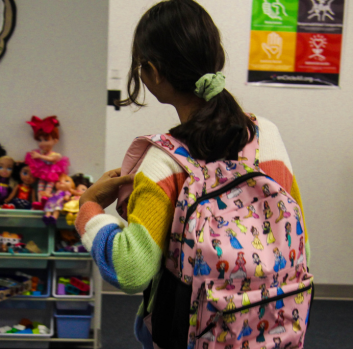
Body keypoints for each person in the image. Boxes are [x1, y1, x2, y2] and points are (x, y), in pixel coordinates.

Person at [75, 0, 310, 347]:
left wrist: (90, 207)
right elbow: (295, 233)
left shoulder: (165, 162)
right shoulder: (268, 137)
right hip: (275, 329)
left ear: (153, 73)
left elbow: (131, 268)